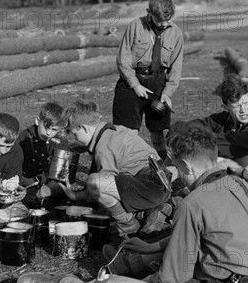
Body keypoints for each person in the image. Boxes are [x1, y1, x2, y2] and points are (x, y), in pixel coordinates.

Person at [16, 125, 248, 283]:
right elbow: (211, 235)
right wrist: (153, 247)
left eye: (176, 168)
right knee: (159, 256)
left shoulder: (193, 202)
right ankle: (129, 262)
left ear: (186, 166)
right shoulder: (238, 183)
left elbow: (171, 279)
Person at [59, 100, 171, 237]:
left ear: (84, 128)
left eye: (73, 133)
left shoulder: (104, 147)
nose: (74, 137)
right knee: (113, 184)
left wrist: (74, 195)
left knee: (95, 182)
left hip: (151, 187)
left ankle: (127, 223)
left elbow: (100, 188)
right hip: (162, 181)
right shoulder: (113, 131)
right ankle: (152, 211)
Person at [113, 0, 184, 160]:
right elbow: (123, 59)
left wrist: (167, 94)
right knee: (127, 133)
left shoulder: (176, 33)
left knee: (159, 134)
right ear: (148, 12)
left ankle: (166, 165)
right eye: (160, 21)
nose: (164, 24)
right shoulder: (135, 26)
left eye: (168, 20)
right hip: (131, 82)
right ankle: (127, 167)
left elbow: (176, 68)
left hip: (158, 84)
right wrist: (135, 85)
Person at [172, 74, 248, 167]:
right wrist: (176, 134)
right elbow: (190, 126)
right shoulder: (223, 119)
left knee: (242, 157)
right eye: (236, 106)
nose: (243, 111)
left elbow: (235, 142)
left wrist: (197, 142)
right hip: (238, 175)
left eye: (245, 103)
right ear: (226, 108)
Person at [16, 102, 67, 201]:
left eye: (54, 129)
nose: (48, 133)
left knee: (61, 192)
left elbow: (61, 174)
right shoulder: (23, 138)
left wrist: (48, 187)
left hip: (49, 182)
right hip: (25, 180)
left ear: (60, 129)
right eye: (46, 127)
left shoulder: (60, 142)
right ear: (37, 121)